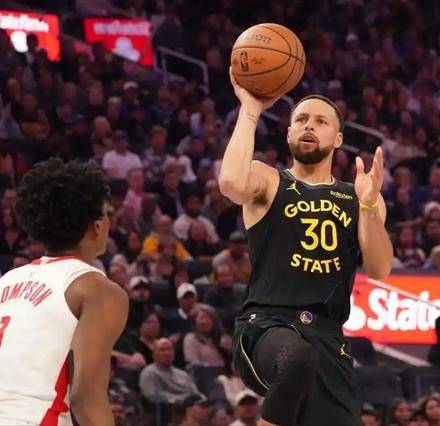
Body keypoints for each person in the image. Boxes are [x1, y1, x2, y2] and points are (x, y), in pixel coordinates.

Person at [221, 69, 393, 426]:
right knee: (297, 359)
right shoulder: (269, 180)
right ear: (288, 133)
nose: (309, 126)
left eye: (320, 121)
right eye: (300, 120)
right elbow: (231, 184)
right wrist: (250, 109)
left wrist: (367, 206)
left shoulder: (360, 195)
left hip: (328, 338)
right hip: (267, 326)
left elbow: (379, 270)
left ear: (339, 138)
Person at [0, 158, 128, 425]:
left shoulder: (7, 280)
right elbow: (85, 397)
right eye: (107, 213)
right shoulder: (95, 288)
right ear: (96, 225)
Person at [139, 338, 203, 404]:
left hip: (193, 404)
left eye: (170, 349)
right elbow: (152, 396)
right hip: (172, 406)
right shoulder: (149, 372)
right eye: (162, 350)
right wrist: (183, 399)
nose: (167, 353)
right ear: (154, 355)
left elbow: (195, 393)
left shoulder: (182, 374)